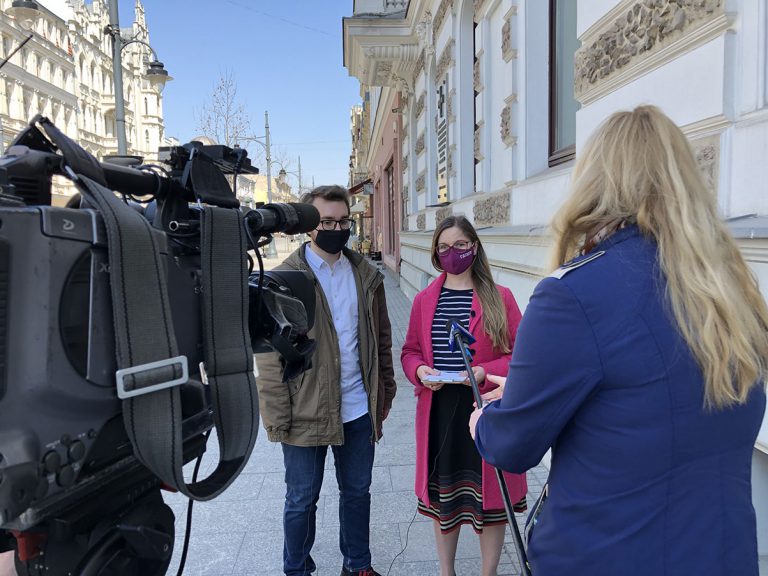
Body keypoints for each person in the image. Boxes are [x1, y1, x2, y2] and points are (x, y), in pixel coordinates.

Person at [470, 105, 768, 575]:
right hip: (721, 555)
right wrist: (529, 392)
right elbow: (653, 401)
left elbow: (512, 445)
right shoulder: (729, 289)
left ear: (594, 182)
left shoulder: (573, 292)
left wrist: (484, 421)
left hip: (610, 554)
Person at [255, 185, 397, 576]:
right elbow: (268, 357)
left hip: (357, 408)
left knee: (357, 493)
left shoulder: (367, 275)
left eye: (343, 220)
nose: (336, 228)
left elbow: (381, 338)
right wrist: (277, 416)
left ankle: (358, 565)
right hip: (305, 409)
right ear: (309, 226)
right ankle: (297, 569)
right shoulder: (283, 278)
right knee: (301, 499)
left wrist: (385, 390)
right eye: (326, 221)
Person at [400, 215, 527, 576]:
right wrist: (421, 371)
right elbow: (410, 351)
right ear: (435, 253)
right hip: (440, 410)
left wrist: (487, 372)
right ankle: (447, 572)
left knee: (491, 502)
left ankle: (488, 572)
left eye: (459, 245)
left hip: (485, 409)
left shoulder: (500, 297)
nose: (451, 253)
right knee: (445, 499)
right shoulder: (425, 300)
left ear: (474, 248)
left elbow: (522, 354)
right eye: (443, 247)